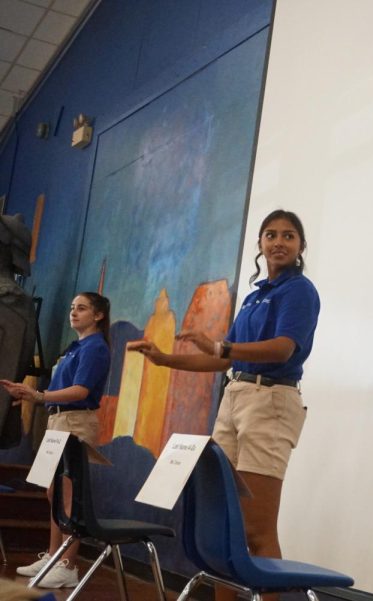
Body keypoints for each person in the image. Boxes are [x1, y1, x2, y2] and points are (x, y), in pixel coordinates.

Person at [126, 209, 318, 600]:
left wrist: (221, 345)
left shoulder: (299, 291)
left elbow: (283, 349)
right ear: (260, 244)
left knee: (257, 530)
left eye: (288, 236)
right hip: (234, 397)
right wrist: (164, 359)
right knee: (223, 528)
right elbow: (222, 360)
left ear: (300, 246)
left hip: (271, 400)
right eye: (270, 234)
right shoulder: (253, 297)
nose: (278, 241)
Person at [2, 292, 111, 589]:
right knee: (54, 494)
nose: (74, 313)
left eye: (82, 308)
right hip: (58, 420)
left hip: (75, 422)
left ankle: (67, 564)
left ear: (98, 315)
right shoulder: (76, 347)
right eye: (72, 307)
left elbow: (80, 391)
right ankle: (53, 556)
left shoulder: (95, 347)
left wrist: (38, 395)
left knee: (68, 496)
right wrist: (31, 398)